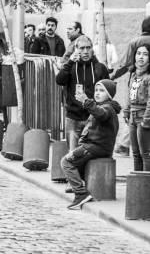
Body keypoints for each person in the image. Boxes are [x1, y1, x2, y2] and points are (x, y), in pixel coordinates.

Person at [112, 16, 150, 156]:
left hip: (136, 82)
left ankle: (124, 145)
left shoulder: (135, 42)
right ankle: (149, 146)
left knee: (133, 112)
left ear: (142, 27)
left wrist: (113, 76)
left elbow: (125, 64)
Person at [61, 79, 120, 210]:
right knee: (78, 167)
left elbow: (101, 114)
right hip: (94, 146)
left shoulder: (108, 108)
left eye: (102, 91)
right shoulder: (103, 106)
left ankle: (81, 194)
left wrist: (86, 101)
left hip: (95, 147)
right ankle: (82, 189)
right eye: (96, 90)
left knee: (66, 162)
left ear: (109, 94)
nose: (97, 93)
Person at [56, 35, 109, 150]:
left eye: (88, 48)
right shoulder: (70, 66)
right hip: (73, 118)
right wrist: (69, 62)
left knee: (90, 156)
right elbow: (59, 80)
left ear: (92, 49)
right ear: (76, 49)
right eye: (82, 48)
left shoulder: (100, 67)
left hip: (93, 118)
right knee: (72, 155)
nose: (85, 51)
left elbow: (108, 92)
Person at [122, 45, 150, 171]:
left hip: (144, 116)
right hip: (133, 117)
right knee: (135, 154)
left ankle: (147, 187)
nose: (140, 56)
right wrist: (126, 111)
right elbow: (130, 94)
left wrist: (146, 120)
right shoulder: (134, 75)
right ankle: (137, 186)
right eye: (138, 53)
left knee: (145, 154)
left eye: (145, 54)